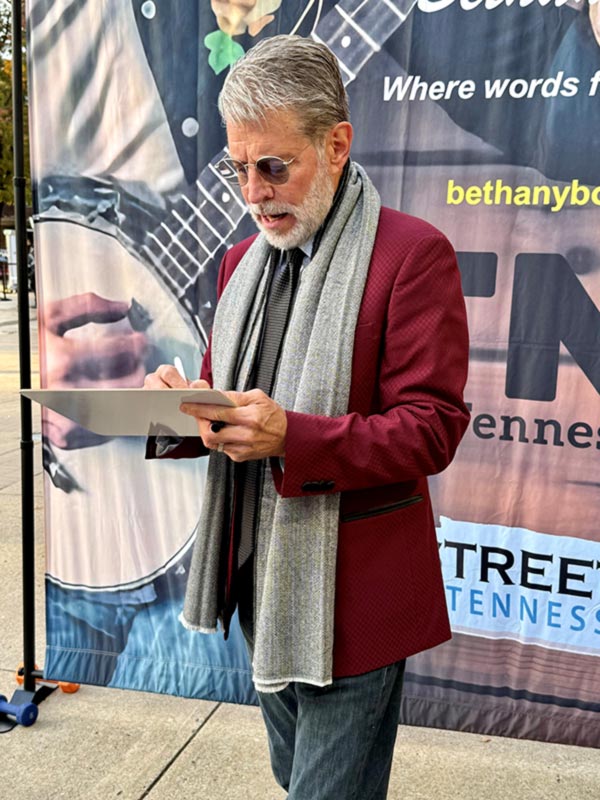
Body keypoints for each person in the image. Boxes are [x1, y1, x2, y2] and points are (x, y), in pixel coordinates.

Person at [144, 35, 469, 799]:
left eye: (272, 166)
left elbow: (431, 428)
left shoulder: (412, 255)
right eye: (238, 170)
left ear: (336, 144)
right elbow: (229, 404)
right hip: (261, 586)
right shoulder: (240, 263)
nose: (253, 193)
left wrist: (294, 436)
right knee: (299, 780)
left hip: (355, 599)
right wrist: (179, 407)